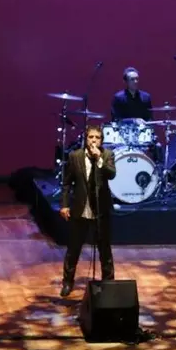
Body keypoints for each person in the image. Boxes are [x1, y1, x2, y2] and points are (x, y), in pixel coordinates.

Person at [59, 125, 117, 297]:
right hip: (80, 209)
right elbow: (67, 183)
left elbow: (111, 174)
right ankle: (67, 282)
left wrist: (99, 159)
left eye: (97, 138)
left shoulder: (107, 155)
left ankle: (109, 283)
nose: (94, 140)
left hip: (100, 209)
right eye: (91, 137)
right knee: (73, 249)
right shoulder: (75, 156)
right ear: (86, 139)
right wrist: (64, 205)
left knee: (104, 250)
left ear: (101, 141)